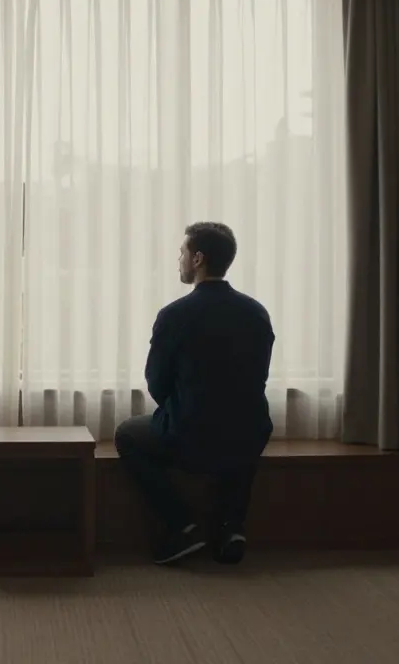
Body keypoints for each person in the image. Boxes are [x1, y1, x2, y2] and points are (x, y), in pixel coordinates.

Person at [113, 222, 274, 567]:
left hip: (193, 436)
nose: (179, 260)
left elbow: (157, 383)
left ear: (198, 258)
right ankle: (232, 526)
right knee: (240, 423)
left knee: (127, 434)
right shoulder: (256, 313)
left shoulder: (175, 315)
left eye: (182, 253)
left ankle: (181, 524)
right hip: (249, 433)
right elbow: (256, 377)